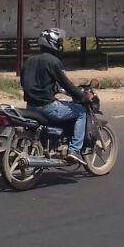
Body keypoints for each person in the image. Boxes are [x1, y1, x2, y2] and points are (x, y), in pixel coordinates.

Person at [21, 28, 91, 166]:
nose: (61, 44)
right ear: (53, 43)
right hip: (48, 108)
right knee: (81, 112)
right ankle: (74, 151)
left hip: (30, 107)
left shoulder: (29, 60)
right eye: (59, 41)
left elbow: (24, 82)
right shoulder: (53, 61)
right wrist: (82, 97)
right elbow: (67, 84)